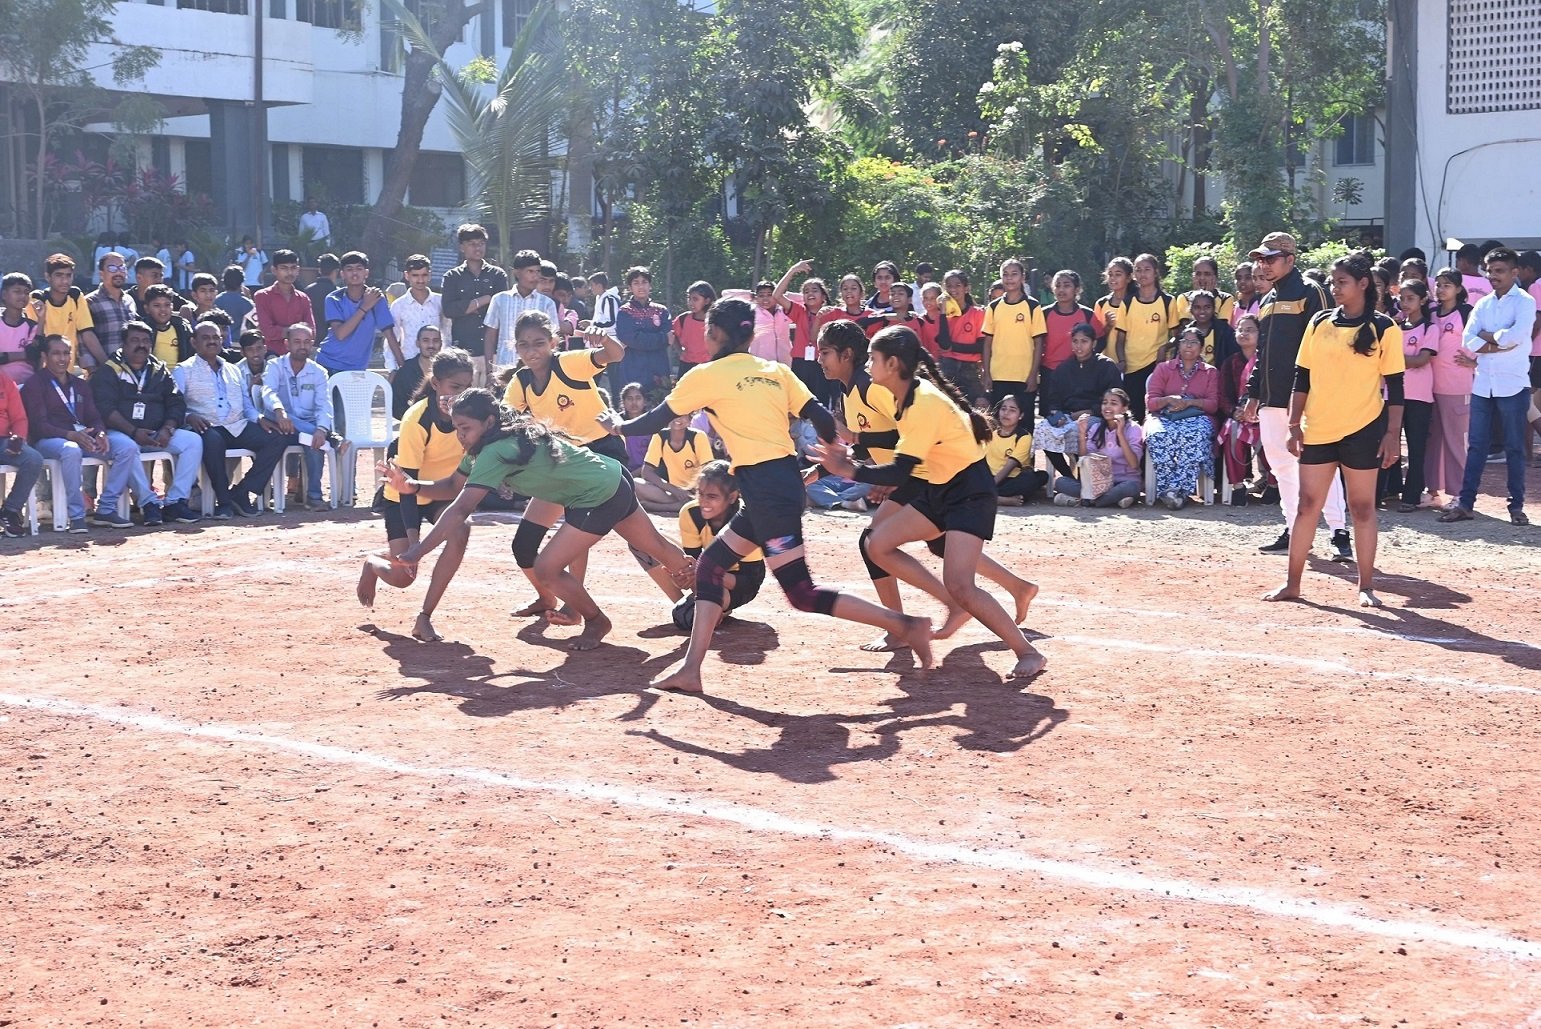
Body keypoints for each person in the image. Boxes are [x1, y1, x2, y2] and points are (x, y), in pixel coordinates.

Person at [599, 298, 935, 692]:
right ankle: (691, 670)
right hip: (773, 487)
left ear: (714, 333)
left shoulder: (705, 374)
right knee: (710, 568)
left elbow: (657, 419)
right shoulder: (776, 371)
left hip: (768, 491)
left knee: (802, 593)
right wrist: (834, 450)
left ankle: (904, 625)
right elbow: (821, 416)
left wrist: (617, 426)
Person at [812, 325, 1047, 681]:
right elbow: (898, 458)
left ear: (892, 364)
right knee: (877, 544)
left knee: (961, 585)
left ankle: (1028, 651)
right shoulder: (905, 400)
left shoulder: (921, 402)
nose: (867, 365)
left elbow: (900, 469)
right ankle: (919, 617)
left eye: (873, 359)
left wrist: (850, 469)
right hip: (939, 486)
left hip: (968, 491)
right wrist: (854, 459)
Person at [387, 389, 695, 651]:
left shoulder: (494, 451)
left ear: (489, 422)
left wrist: (419, 551)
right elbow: (453, 486)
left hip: (597, 495)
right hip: (611, 475)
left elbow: (459, 509)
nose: (460, 435)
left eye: (465, 427)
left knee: (547, 568)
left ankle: (596, 620)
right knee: (655, 545)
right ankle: (707, 593)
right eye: (456, 428)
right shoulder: (494, 440)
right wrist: (412, 487)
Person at [1263, 252, 1406, 607]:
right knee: (1306, 507)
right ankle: (1292, 584)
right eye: (1332, 281)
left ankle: (1366, 586)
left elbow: (1396, 386)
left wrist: (1392, 434)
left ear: (1363, 284)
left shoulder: (1385, 327)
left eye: (1342, 282)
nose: (1334, 287)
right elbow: (1302, 376)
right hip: (1318, 429)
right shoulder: (1318, 322)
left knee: (1362, 509)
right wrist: (1294, 425)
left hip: (1364, 429)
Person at [499, 310, 629, 621]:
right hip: (565, 460)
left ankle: (575, 608)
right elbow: (505, 420)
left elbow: (616, 354)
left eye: (539, 343)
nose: (532, 350)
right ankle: (547, 598)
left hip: (602, 452)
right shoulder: (521, 380)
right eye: (524, 344)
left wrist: (603, 338)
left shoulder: (568, 363)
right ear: (515, 347)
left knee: (632, 541)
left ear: (554, 343)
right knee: (524, 545)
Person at [1242, 232, 1351, 560]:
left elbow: (1328, 344)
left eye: (1270, 258)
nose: (1264, 265)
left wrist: (1317, 391)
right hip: (1271, 397)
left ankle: (1339, 532)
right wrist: (1253, 393)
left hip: (1305, 396)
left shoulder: (1311, 291)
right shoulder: (1266, 300)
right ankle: (1295, 530)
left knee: (1319, 465)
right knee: (1281, 465)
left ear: (1290, 259)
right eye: (1261, 259)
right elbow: (1262, 353)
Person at [357, 348, 475, 643]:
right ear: (435, 384)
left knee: (461, 528)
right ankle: (373, 563)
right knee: (403, 577)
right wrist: (414, 545)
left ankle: (424, 617)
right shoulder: (416, 419)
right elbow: (406, 487)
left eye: (466, 387)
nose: (459, 395)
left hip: (441, 492)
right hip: (403, 496)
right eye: (454, 387)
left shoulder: (471, 413)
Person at [1439, 247, 1536, 526]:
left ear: (1514, 272)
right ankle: (1466, 504)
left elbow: (1517, 336)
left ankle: (1516, 506)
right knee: (1477, 447)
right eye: (1490, 270)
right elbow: (1468, 340)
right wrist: (1497, 342)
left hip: (1513, 384)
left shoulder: (1525, 302)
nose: (1493, 275)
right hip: (1483, 384)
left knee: (1514, 447)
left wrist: (1487, 338)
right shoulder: (1483, 304)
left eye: (1499, 270)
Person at [90, 320, 204, 526]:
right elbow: (106, 409)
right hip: (121, 433)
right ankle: (149, 503)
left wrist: (168, 428)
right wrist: (133, 432)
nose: (141, 345)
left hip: (156, 433)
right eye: (135, 340)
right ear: (123, 344)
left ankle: (175, 502)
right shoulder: (108, 370)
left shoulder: (159, 370)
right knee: (128, 447)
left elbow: (176, 403)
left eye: (145, 341)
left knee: (192, 441)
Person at [21, 334, 138, 531]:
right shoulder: (35, 384)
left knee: (126, 447)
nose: (62, 358)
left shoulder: (80, 384)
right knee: (71, 450)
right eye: (56, 353)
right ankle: (76, 515)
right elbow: (38, 426)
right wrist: (70, 435)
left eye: (66, 353)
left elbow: (94, 417)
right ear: (44, 356)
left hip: (82, 437)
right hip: (49, 441)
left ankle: (106, 508)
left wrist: (100, 433)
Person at [175, 319, 289, 518]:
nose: (212, 341)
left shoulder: (233, 369)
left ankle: (241, 492)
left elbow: (246, 404)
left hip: (237, 425)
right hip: (207, 426)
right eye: (206, 338)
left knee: (277, 437)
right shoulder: (183, 370)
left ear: (222, 341)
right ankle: (224, 502)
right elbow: (175, 405)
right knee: (213, 441)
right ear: (194, 342)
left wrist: (259, 418)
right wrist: (188, 416)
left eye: (216, 337)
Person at [671, 460, 765, 631]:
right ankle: (692, 601)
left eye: (712, 496)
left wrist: (702, 572)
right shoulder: (690, 513)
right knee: (645, 546)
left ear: (732, 497)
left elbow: (748, 583)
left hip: (737, 582)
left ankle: (715, 607)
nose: (703, 502)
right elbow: (692, 560)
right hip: (706, 573)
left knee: (687, 616)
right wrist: (683, 576)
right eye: (700, 493)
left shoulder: (747, 521)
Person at [1145, 325, 1219, 510]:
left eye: (1194, 342)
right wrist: (1168, 399)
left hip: (1198, 418)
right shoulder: (1163, 368)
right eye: (1185, 341)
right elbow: (1151, 402)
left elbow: (1213, 405)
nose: (1189, 345)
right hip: (1164, 417)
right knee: (1157, 435)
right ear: (1178, 345)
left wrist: (1190, 403)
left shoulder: (1210, 372)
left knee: (1194, 435)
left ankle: (1176, 491)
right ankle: (1173, 491)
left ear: (1201, 347)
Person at [1036, 321, 1123, 479]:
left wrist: (1090, 411)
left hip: (1097, 416)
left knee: (1079, 429)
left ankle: (1085, 477)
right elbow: (1053, 399)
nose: (1079, 346)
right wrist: (1058, 415)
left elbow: (1115, 398)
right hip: (1067, 416)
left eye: (1084, 341)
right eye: (1075, 341)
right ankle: (1069, 477)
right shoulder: (1064, 369)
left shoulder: (1106, 366)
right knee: (1042, 430)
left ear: (1093, 343)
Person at [266, 323, 337, 510]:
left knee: (314, 440)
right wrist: (279, 410)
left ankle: (314, 497)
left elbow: (324, 404)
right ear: (287, 344)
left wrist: (321, 429)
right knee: (311, 434)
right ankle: (332, 439)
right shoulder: (275, 366)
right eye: (297, 341)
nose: (302, 346)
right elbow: (268, 392)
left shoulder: (319, 372)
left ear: (312, 344)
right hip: (279, 425)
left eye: (307, 342)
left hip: (306, 425)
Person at [1383, 279, 1437, 511]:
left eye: (1411, 298)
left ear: (1423, 300)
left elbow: (1421, 359)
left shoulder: (1430, 328)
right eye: (1402, 299)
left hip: (1419, 395)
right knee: (1390, 440)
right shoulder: (1394, 327)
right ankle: (1391, 488)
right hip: (1393, 393)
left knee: (1416, 447)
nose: (1405, 303)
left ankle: (1412, 496)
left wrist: (1394, 360)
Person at [1423, 269, 1472, 506]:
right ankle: (1432, 492)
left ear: (1458, 289)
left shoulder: (1466, 312)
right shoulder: (1430, 311)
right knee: (1432, 441)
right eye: (1439, 284)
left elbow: (1480, 341)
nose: (1441, 289)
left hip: (1457, 387)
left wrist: (1475, 362)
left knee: (1456, 441)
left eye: (1447, 285)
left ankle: (1460, 494)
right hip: (1429, 385)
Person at [1051, 388, 1145, 508]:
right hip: (1098, 484)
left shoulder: (1133, 428)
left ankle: (1087, 501)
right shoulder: (1096, 427)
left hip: (1124, 481)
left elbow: (1134, 464)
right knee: (1061, 482)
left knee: (1131, 487)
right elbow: (1084, 460)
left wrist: (1120, 434)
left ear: (1124, 408)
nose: (1107, 407)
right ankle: (1107, 500)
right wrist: (1082, 434)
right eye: (1105, 403)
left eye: (1113, 403)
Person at [439, 226, 507, 385]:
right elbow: (449, 310)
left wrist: (466, 307)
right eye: (472, 244)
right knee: (464, 396)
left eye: (481, 243)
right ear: (461, 247)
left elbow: (502, 308)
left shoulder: (497, 275)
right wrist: (484, 300)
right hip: (463, 353)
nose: (478, 248)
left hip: (493, 353)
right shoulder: (452, 277)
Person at [980, 257, 1047, 417]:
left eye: (1014, 274)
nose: (1009, 278)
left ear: (1022, 277)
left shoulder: (1033, 306)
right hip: (998, 374)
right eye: (1005, 274)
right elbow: (987, 343)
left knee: (1025, 421)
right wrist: (987, 372)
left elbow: (1038, 343)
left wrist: (1033, 374)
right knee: (999, 419)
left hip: (1023, 375)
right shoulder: (993, 307)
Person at [1112, 253, 1174, 422]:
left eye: (1147, 269)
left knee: (1155, 415)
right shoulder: (1128, 301)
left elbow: (1177, 336)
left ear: (1156, 272)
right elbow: (1120, 339)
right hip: (1132, 367)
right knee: (1134, 416)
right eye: (1138, 270)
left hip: (1156, 367)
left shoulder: (1167, 301)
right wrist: (1122, 360)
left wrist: (1164, 349)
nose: (1142, 274)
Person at [318, 251, 398, 374]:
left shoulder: (376, 298)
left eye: (359, 269)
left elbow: (389, 334)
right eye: (349, 269)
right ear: (342, 274)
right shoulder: (334, 298)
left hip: (357, 368)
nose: (354, 273)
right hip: (328, 363)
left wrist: (403, 366)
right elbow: (340, 334)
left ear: (366, 273)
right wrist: (364, 307)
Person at [482, 249, 556, 372]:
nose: (535, 276)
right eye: (530, 271)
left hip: (537, 369)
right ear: (516, 273)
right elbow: (490, 337)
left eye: (538, 271)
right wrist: (489, 372)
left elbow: (554, 339)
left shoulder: (547, 303)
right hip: (506, 367)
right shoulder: (499, 299)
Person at [1218, 313, 1264, 505]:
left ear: (1260, 333)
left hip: (1264, 415)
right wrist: (1234, 412)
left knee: (1271, 434)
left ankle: (1273, 485)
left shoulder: (1267, 360)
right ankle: (1238, 486)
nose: (1244, 333)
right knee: (1231, 432)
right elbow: (1223, 395)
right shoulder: (1230, 362)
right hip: (1239, 416)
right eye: (1241, 330)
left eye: (1250, 330)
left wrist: (1259, 412)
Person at [30, 254, 102, 372]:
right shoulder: (37, 299)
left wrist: (106, 364)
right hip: (42, 371)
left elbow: (87, 333)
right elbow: (34, 339)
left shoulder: (76, 296)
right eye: (59, 275)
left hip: (68, 370)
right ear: (48, 277)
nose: (65, 281)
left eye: (68, 275)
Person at [611, 266, 671, 395]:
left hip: (659, 369)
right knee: (633, 405)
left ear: (650, 285)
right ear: (630, 287)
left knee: (660, 404)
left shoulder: (661, 311)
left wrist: (641, 337)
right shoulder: (624, 312)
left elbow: (669, 337)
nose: (641, 286)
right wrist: (660, 338)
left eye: (644, 282)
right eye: (636, 283)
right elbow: (630, 338)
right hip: (633, 370)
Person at [637, 413, 713, 514]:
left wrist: (690, 491)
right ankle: (680, 506)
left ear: (690, 418)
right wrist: (675, 490)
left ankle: (659, 507)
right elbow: (646, 472)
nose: (678, 418)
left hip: (695, 493)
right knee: (636, 484)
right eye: (673, 414)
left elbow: (708, 472)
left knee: (705, 498)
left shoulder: (698, 436)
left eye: (683, 415)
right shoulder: (660, 436)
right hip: (672, 492)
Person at [387, 254, 445, 377]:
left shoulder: (440, 302)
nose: (420, 280)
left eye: (424, 275)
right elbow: (392, 338)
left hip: (436, 366)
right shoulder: (399, 305)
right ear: (407, 275)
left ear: (429, 275)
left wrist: (446, 362)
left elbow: (447, 334)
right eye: (415, 275)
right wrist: (392, 368)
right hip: (409, 365)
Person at [0, 371, 43, 537]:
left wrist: (18, 438)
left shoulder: (4, 379)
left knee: (33, 458)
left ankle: (10, 510)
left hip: (3, 440)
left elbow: (19, 418)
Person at [1040, 270, 1103, 379]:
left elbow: (1100, 340)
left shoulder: (1088, 314)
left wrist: (1085, 360)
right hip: (1049, 372)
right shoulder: (1044, 314)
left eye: (1066, 285)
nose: (1061, 290)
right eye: (1057, 286)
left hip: (1080, 372)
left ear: (1077, 289)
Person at [253, 249, 315, 356]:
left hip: (299, 355)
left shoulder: (303, 298)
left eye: (293, 268)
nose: (289, 272)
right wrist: (298, 333)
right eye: (284, 268)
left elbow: (311, 331)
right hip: (271, 355)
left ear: (298, 270)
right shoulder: (262, 296)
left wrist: (285, 332)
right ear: (274, 270)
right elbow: (267, 331)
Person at [987, 394, 1047, 505]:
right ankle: (999, 499)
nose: (1006, 413)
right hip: (989, 478)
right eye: (1003, 409)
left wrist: (988, 488)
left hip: (1010, 479)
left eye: (1012, 410)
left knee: (1035, 478)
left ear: (1020, 416)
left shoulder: (1024, 437)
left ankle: (984, 497)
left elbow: (1009, 467)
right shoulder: (991, 434)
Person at [84, 252, 137, 368]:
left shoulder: (129, 301)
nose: (118, 272)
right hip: (103, 369)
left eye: (122, 268)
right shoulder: (90, 301)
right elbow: (83, 339)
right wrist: (92, 369)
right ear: (101, 274)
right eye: (112, 268)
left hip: (130, 369)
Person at [391, 324, 443, 420]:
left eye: (435, 341)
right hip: (413, 422)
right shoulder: (405, 371)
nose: (431, 345)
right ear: (417, 343)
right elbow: (396, 406)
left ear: (441, 343)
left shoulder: (449, 370)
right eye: (426, 340)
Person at [1182, 290, 1239, 367]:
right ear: (1191, 310)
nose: (1202, 311)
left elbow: (1234, 360)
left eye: (1207, 307)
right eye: (1197, 307)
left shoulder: (1225, 332)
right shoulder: (1185, 333)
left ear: (1213, 309)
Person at [670, 281, 715, 378]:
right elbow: (672, 333)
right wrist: (680, 351)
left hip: (708, 365)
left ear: (707, 301)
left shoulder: (715, 322)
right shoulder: (683, 319)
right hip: (686, 365)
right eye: (689, 298)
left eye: (695, 299)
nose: (690, 303)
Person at [0, 273, 38, 387]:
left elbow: (34, 355)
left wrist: (6, 356)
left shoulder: (32, 326)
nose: (22, 296)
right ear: (4, 295)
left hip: (26, 385)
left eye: (26, 292)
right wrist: (23, 355)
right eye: (17, 291)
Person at [1174, 256, 1237, 324]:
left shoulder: (1226, 299)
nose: (1202, 278)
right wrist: (1198, 295)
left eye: (1207, 274)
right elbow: (1186, 326)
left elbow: (1222, 327)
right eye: (1198, 274)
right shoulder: (1184, 298)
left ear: (1215, 277)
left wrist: (1208, 296)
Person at [306, 253, 341, 331]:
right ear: (336, 271)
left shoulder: (308, 291)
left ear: (319, 270)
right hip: (333, 335)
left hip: (312, 335)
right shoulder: (338, 293)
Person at [214, 264, 254, 332]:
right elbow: (256, 323)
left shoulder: (216, 300)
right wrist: (249, 299)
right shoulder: (246, 303)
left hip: (221, 337)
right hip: (239, 338)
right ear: (241, 282)